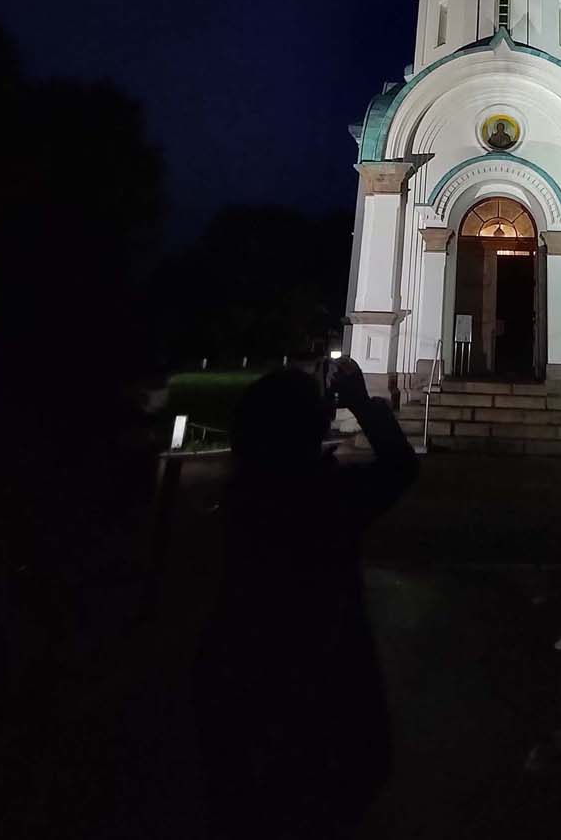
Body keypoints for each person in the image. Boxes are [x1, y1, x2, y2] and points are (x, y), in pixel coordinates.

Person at [192, 357, 418, 840]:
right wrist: (361, 402)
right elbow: (400, 466)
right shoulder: (326, 498)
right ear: (312, 428)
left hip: (246, 704)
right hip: (330, 709)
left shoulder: (243, 499)